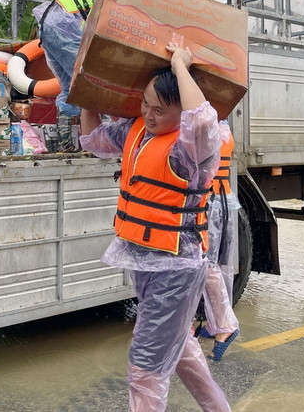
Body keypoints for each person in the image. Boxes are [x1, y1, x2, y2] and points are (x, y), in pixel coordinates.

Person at [80, 42, 231, 412]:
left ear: (179, 113)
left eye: (159, 110)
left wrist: (181, 66)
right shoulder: (137, 131)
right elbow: (94, 141)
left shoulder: (190, 149)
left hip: (176, 268)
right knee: (179, 350)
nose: (148, 113)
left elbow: (203, 120)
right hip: (146, 263)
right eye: (145, 103)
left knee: (145, 366)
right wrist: (88, 97)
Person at [33, 0, 100, 152]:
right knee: (89, 83)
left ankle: (65, 145)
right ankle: (96, 145)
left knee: (68, 85)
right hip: (64, 23)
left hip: (48, 25)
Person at [198, 121, 241, 362]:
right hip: (223, 199)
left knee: (207, 265)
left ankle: (224, 326)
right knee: (221, 265)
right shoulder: (224, 129)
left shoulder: (211, 132)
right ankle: (217, 324)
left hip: (212, 204)